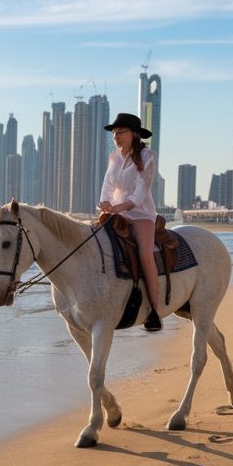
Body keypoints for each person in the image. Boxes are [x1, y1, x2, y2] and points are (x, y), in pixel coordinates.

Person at [98, 113, 164, 332]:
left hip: (141, 215)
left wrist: (119, 207)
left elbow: (139, 193)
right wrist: (105, 202)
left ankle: (154, 311)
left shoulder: (148, 156)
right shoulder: (114, 157)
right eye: (114, 132)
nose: (116, 136)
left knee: (145, 254)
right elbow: (107, 185)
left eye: (121, 132)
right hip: (117, 214)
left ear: (134, 134)